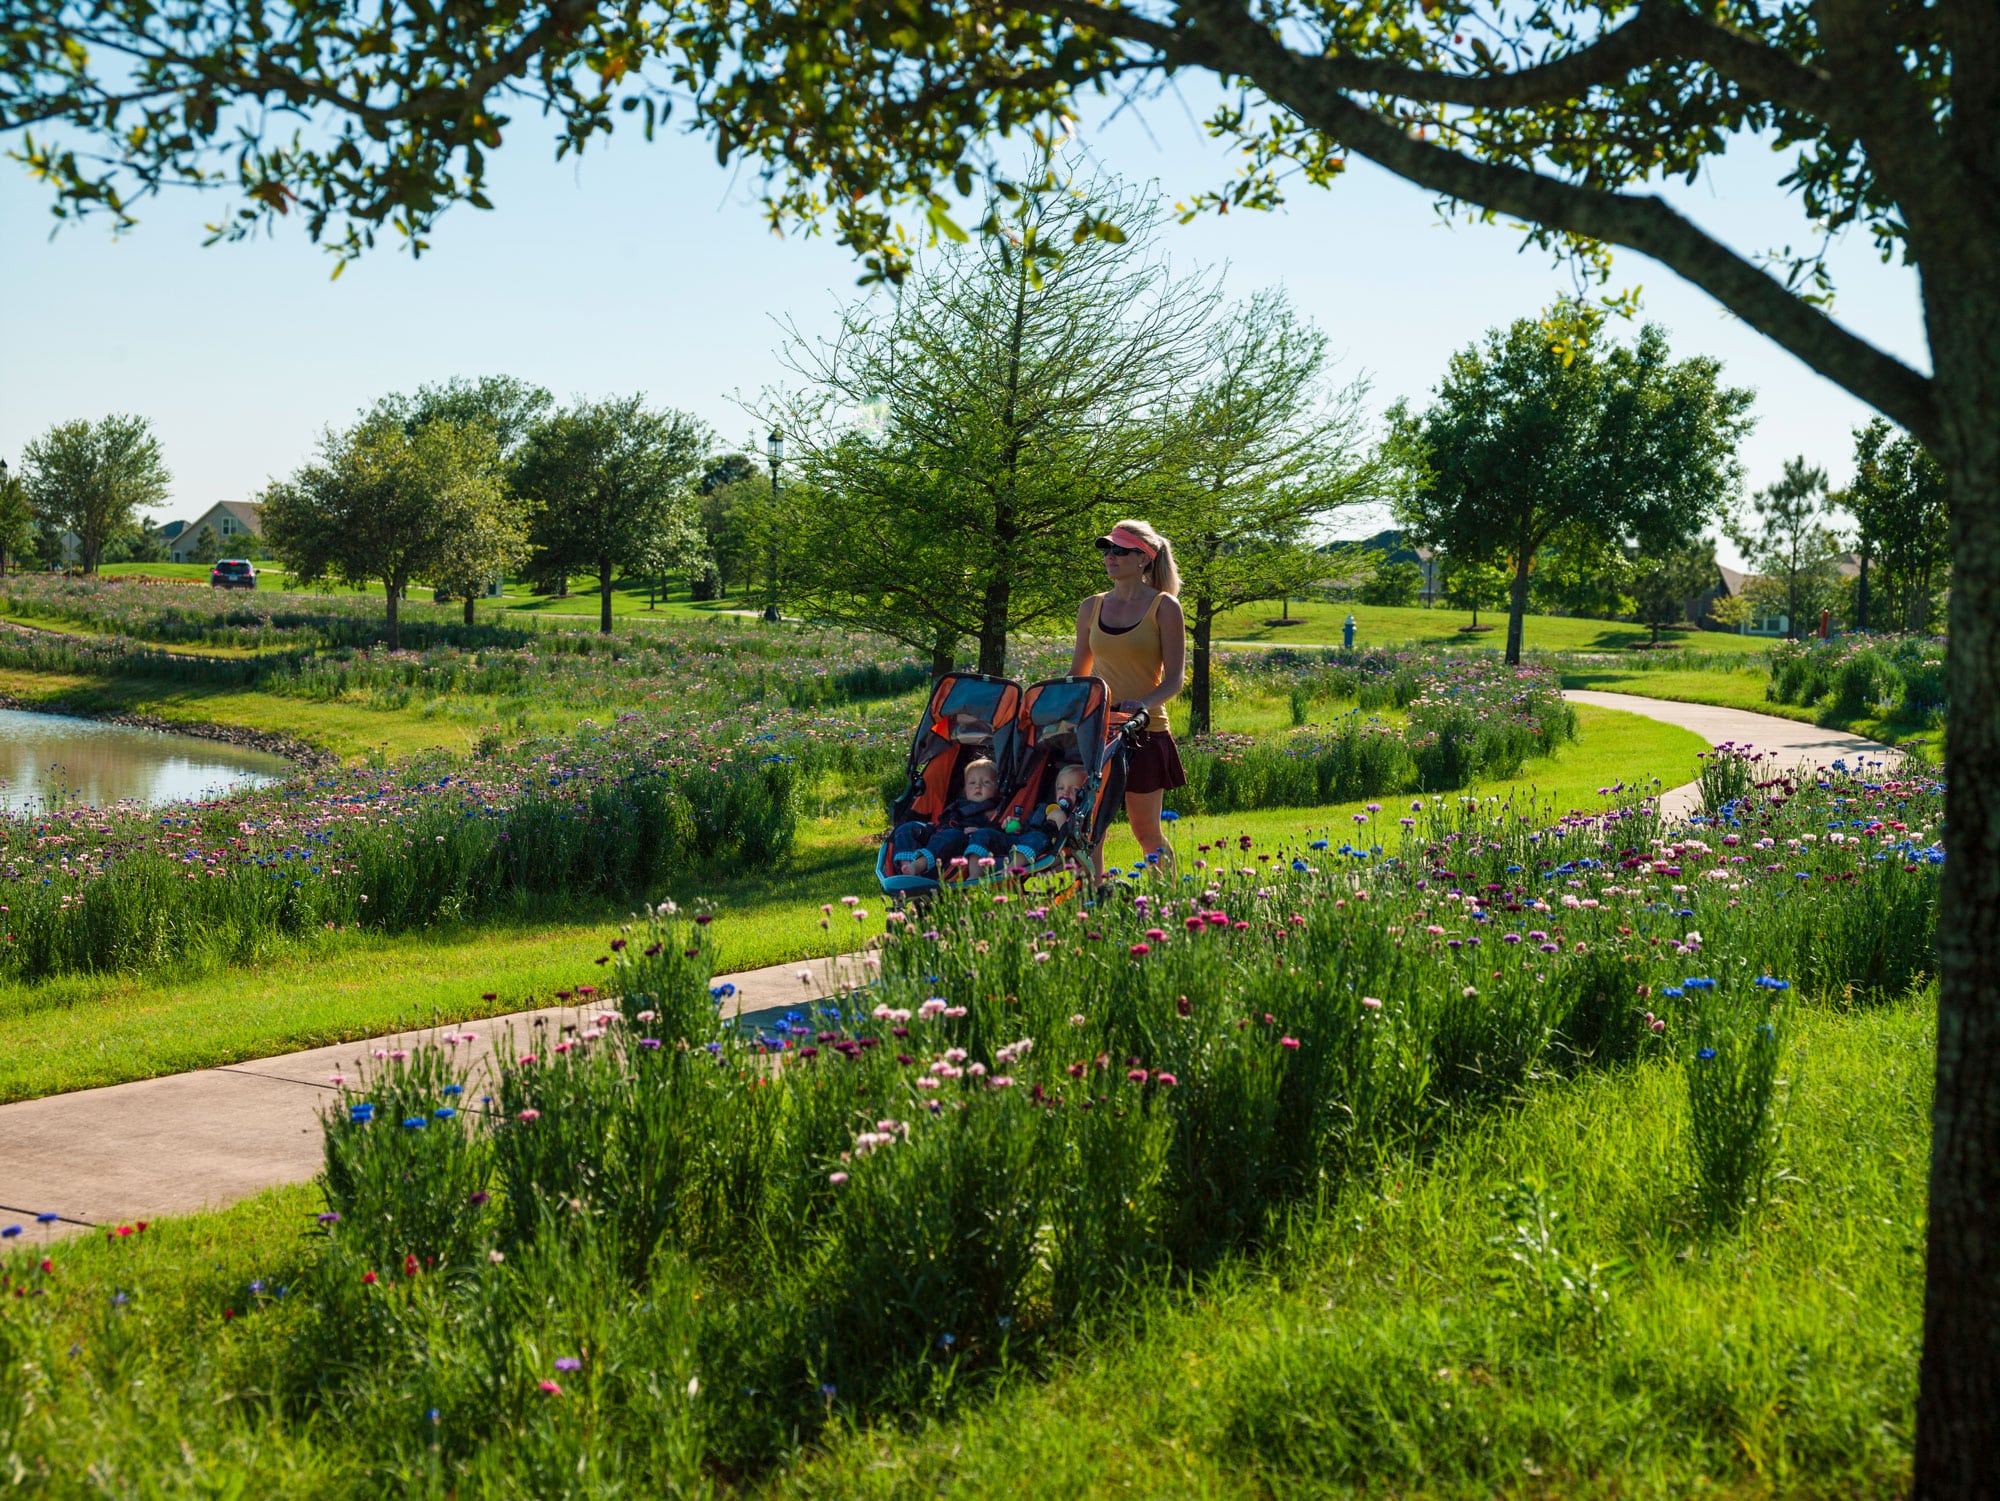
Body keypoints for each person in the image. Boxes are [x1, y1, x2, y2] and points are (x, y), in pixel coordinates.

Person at [1070, 519, 1186, 879]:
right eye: (1107, 549)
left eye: (1120, 550)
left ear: (1144, 559)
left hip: (1145, 732)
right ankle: (1092, 903)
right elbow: (1079, 675)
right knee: (1090, 831)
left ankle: (1171, 899)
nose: (1110, 556)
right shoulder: (1091, 606)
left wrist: (1143, 703)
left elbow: (1175, 680)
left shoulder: (1164, 607)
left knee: (1146, 832)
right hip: (1097, 733)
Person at [891, 756, 1004, 877]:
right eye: (972, 783)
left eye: (986, 782)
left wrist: (979, 831)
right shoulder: (959, 804)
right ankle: (906, 865)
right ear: (965, 790)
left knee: (950, 835)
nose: (978, 786)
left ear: (996, 788)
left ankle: (919, 865)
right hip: (940, 832)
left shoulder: (993, 810)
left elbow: (997, 833)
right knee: (907, 828)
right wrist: (934, 826)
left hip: (963, 840)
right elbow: (945, 818)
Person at [1002, 762, 1090, 871]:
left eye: (1074, 789)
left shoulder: (1076, 816)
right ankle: (975, 870)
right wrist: (1017, 827)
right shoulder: (1044, 808)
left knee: (1036, 838)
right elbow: (1029, 826)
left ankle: (1011, 869)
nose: (1065, 793)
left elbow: (1073, 841)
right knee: (986, 833)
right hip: (1022, 840)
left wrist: (1061, 821)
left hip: (1044, 846)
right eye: (1061, 788)